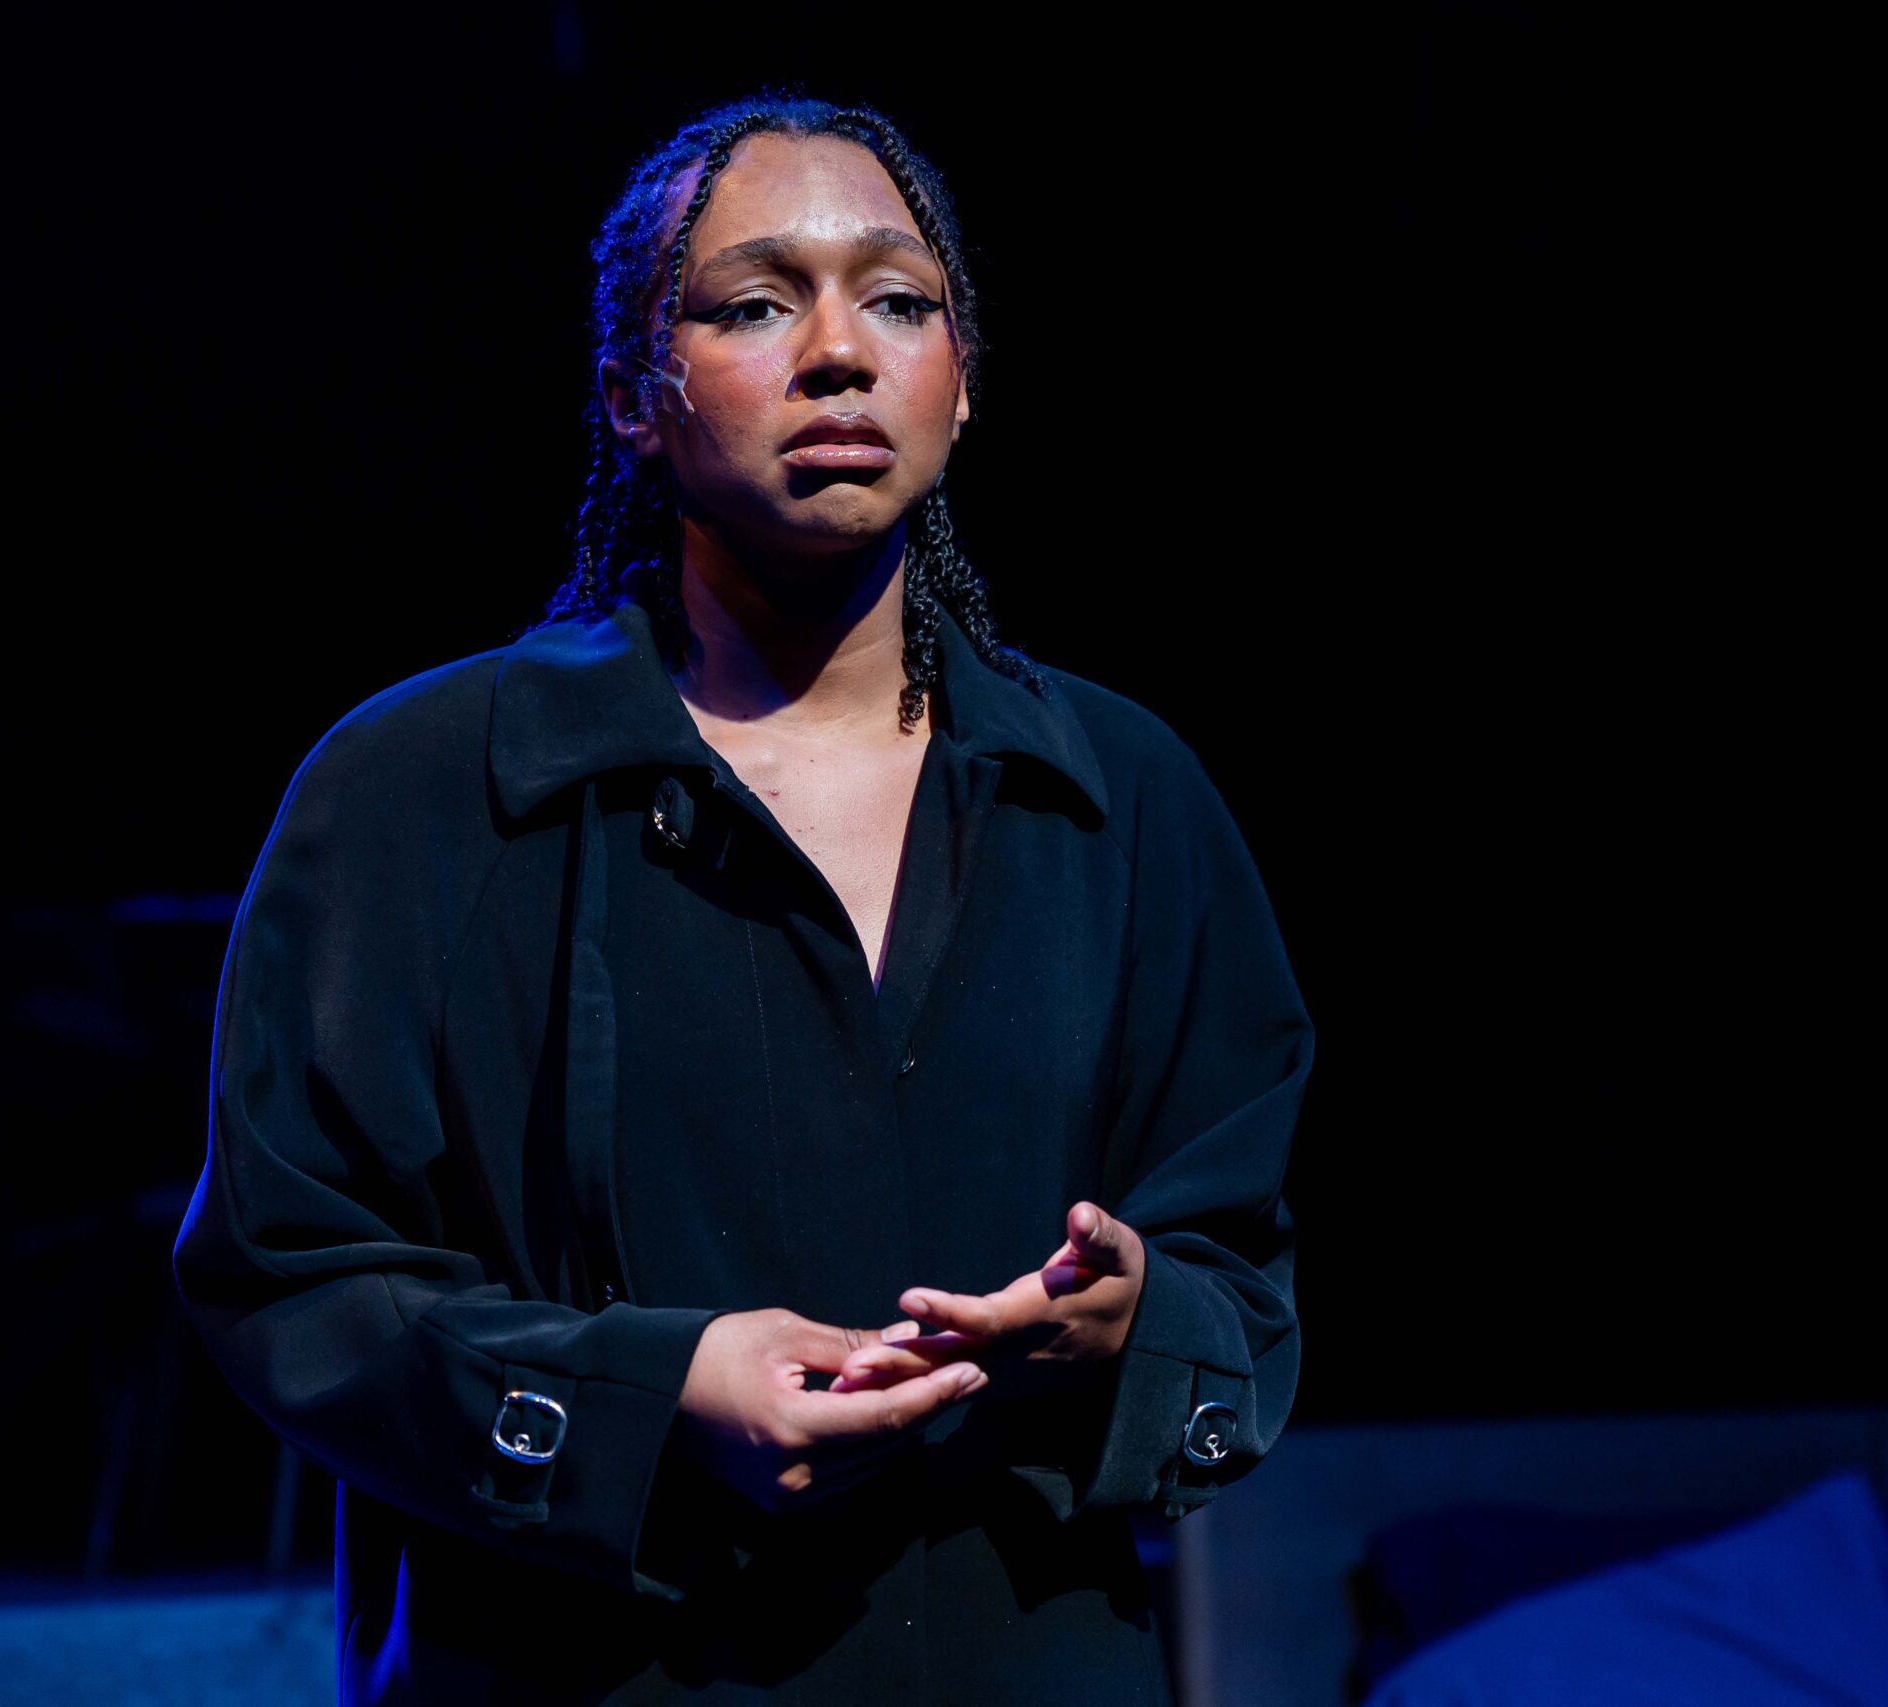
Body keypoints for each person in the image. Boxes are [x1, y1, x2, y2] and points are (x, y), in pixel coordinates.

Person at [171, 90, 1312, 1705]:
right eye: (757, 302)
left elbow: (1243, 1281)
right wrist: (657, 1389)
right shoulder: (428, 794)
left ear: (962, 380)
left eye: (899, 301)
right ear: (639, 393)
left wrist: (1127, 1328)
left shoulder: (1123, 798)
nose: (840, 352)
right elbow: (287, 1275)